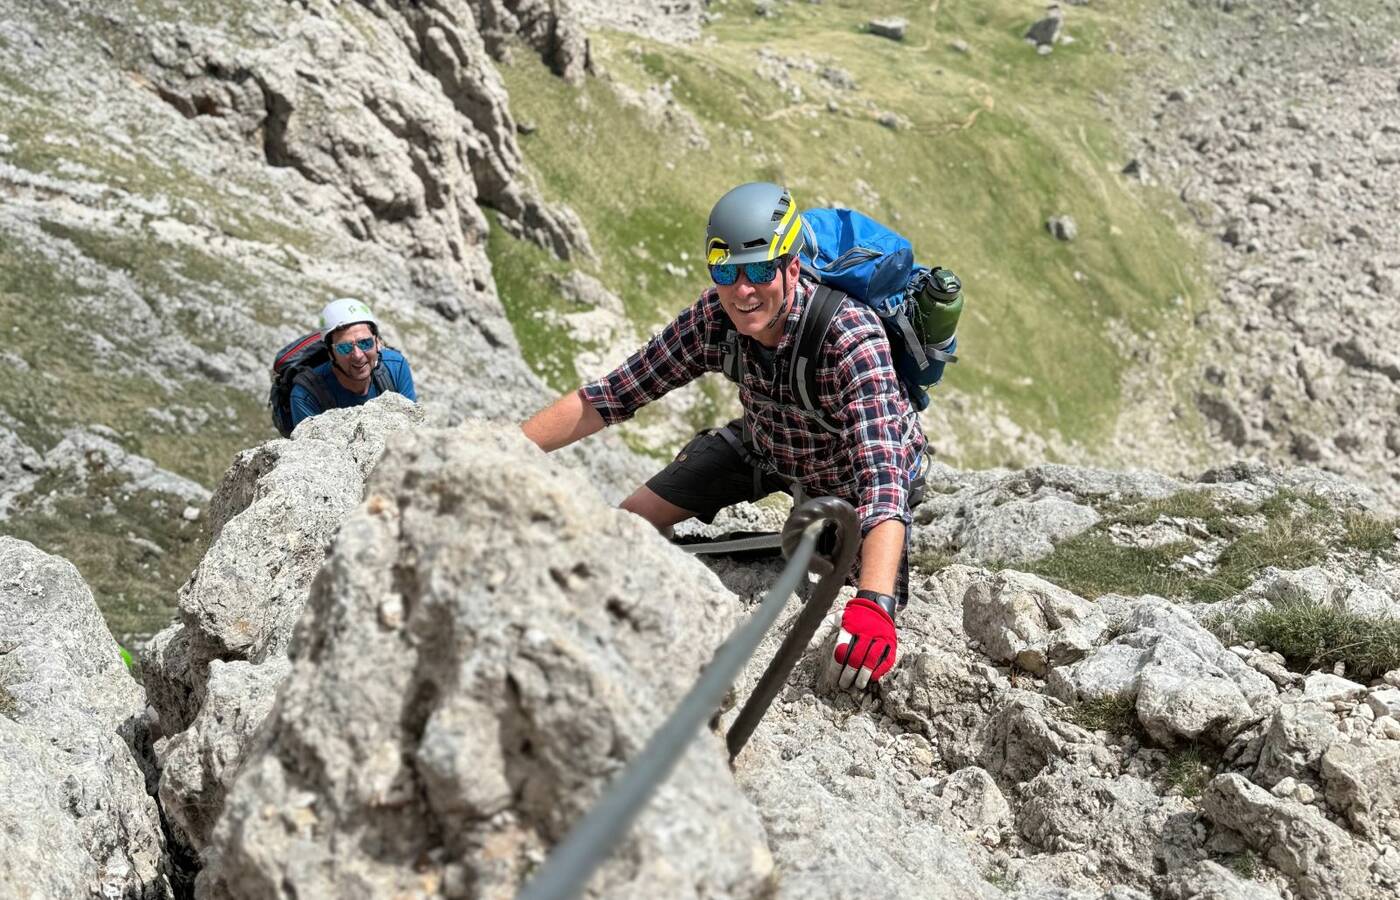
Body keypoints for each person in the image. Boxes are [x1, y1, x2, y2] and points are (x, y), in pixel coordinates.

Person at [521, 182, 927, 692]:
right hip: (766, 443)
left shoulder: (850, 338)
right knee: (626, 526)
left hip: (846, 475)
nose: (743, 289)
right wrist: (506, 446)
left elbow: (883, 485)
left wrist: (875, 603)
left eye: (760, 269)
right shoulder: (715, 320)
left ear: (792, 268)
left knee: (848, 647)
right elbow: (609, 397)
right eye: (726, 271)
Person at [289, 298, 418, 429]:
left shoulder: (396, 367)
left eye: (365, 343)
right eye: (344, 348)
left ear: (378, 342)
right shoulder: (306, 395)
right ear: (330, 353)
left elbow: (411, 427)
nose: (358, 355)